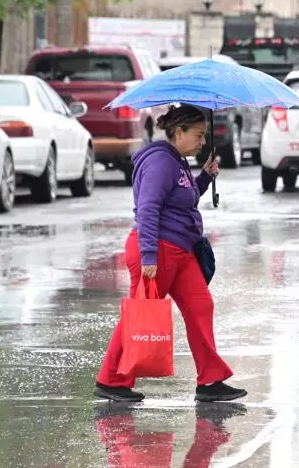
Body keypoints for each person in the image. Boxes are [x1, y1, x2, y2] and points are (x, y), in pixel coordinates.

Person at [95, 104, 247, 403]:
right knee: (140, 315)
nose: (203, 142)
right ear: (179, 132)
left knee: (201, 306)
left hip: (180, 250)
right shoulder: (160, 162)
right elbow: (147, 209)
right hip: (158, 249)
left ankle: (210, 380)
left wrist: (204, 177)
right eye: (198, 135)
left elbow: (183, 199)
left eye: (204, 136)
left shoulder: (177, 161)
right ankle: (111, 380)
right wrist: (149, 255)